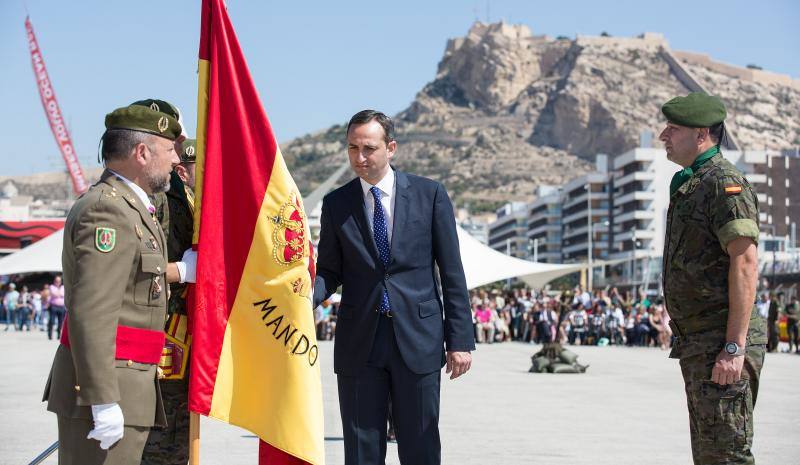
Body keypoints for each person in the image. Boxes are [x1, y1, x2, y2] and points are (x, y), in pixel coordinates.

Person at [313, 110, 474, 465]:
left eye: (369, 148)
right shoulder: (336, 204)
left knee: (421, 448)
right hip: (360, 343)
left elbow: (452, 272)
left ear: (391, 148)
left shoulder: (430, 195)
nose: (359, 157)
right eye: (352, 148)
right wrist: (302, 296)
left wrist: (459, 340)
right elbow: (329, 270)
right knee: (361, 451)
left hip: (419, 339)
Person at [42, 100, 193, 465]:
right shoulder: (107, 209)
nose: (176, 160)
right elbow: (92, 311)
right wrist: (102, 399)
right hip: (110, 391)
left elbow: (133, 287)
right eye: (168, 150)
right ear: (142, 153)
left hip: (130, 386)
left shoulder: (133, 207)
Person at [660, 92, 766, 464]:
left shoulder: (724, 184)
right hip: (700, 343)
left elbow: (745, 263)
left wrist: (734, 347)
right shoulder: (691, 182)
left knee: (727, 455)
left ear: (701, 134)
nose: (663, 135)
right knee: (710, 453)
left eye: (673, 128)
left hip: (722, 342)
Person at [142, 132, 198, 465]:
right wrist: (181, 270)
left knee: (180, 429)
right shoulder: (162, 200)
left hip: (186, 328)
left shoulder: (190, 200)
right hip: (164, 326)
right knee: (161, 430)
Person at [48, 276, 66, 340]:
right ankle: (50, 335)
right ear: (54, 281)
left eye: (59, 281)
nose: (58, 282)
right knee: (52, 321)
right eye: (56, 281)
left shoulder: (63, 287)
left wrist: (59, 293)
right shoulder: (51, 287)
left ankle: (59, 336)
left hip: (61, 307)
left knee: (60, 322)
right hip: (53, 306)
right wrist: (60, 294)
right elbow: (54, 294)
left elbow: (64, 294)